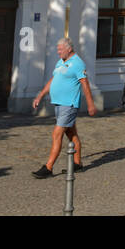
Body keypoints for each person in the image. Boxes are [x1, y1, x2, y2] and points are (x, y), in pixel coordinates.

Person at [31, 37, 96, 177]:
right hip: (59, 103)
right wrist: (40, 96)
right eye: (58, 49)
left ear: (69, 49)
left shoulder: (78, 63)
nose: (58, 52)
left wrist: (91, 104)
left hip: (69, 104)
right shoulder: (61, 62)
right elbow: (53, 80)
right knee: (71, 133)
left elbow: (85, 83)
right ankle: (77, 164)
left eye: (60, 49)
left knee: (57, 134)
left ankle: (48, 168)